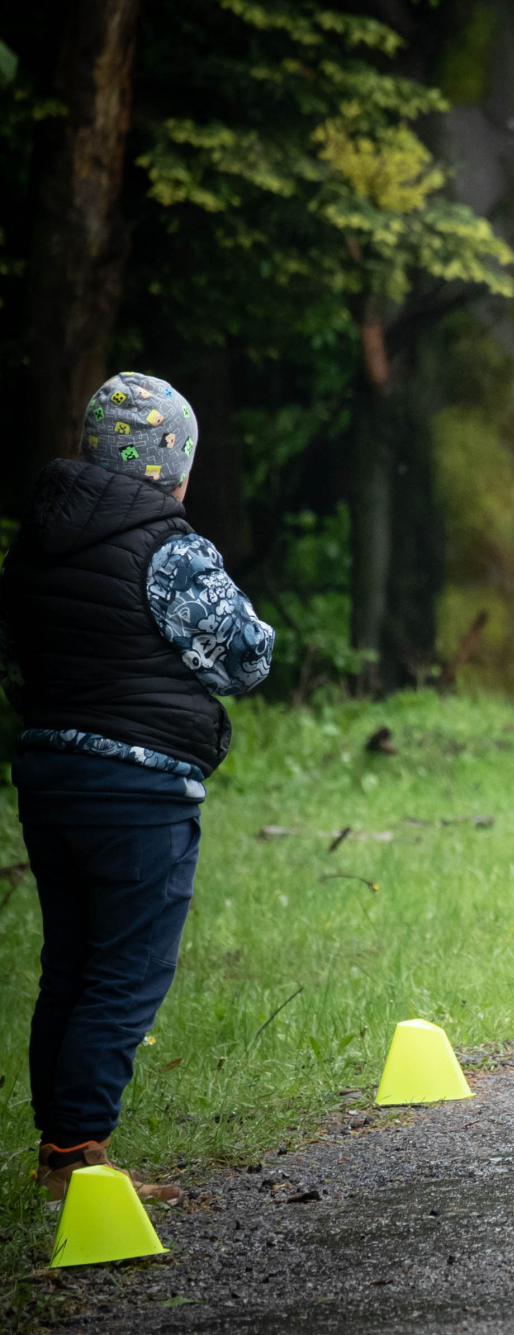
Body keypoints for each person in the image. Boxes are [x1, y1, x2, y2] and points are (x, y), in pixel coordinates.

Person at [0, 374, 275, 1204]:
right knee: (126, 970)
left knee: (69, 963)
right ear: (175, 467)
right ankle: (80, 1157)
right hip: (140, 787)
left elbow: (14, 663)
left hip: (47, 777)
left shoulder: (35, 541)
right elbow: (246, 658)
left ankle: (59, 1150)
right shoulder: (171, 550)